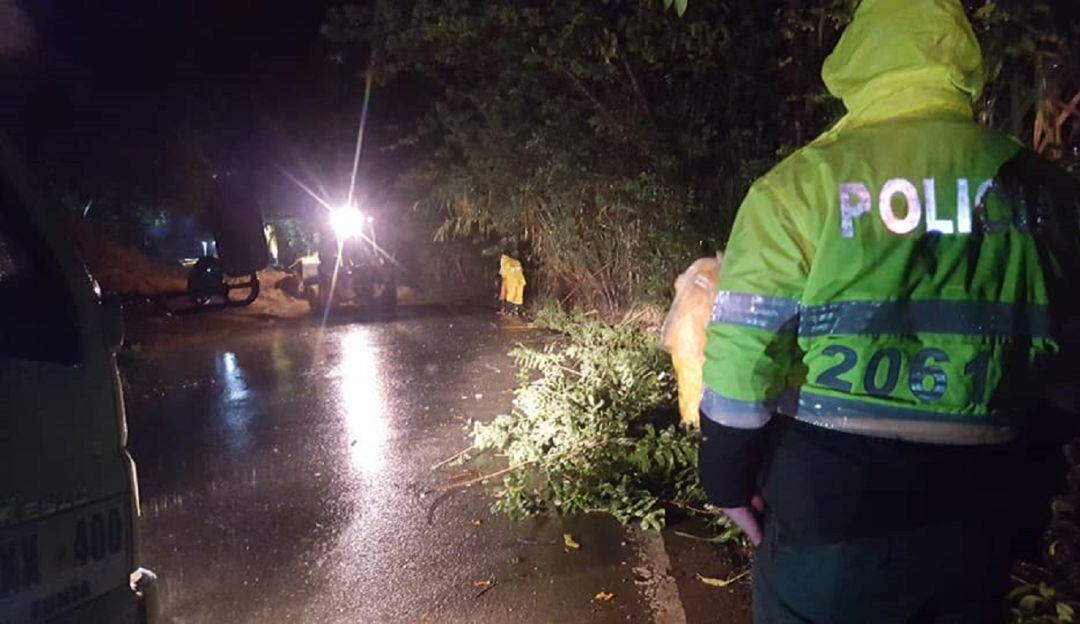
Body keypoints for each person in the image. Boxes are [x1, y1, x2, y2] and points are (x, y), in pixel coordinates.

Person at [698, 0, 1080, 622]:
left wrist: (725, 479)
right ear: (963, 59)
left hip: (833, 512)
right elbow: (1067, 373)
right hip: (979, 515)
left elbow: (744, 357)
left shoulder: (801, 186)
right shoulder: (1045, 191)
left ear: (859, 57)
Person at [660, 254, 723, 428]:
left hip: (681, 337)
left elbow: (679, 284)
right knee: (697, 384)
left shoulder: (701, 267)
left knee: (687, 384)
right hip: (697, 340)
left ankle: (689, 426)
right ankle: (696, 428)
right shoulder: (716, 273)